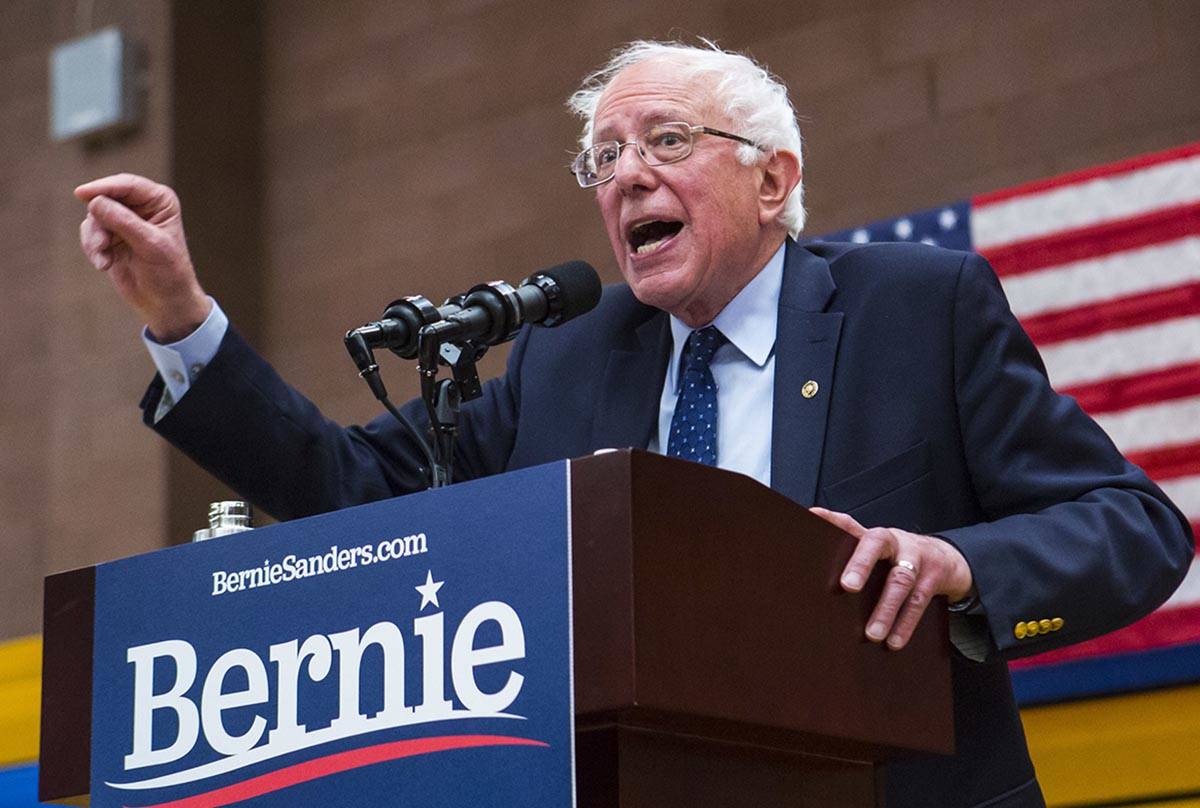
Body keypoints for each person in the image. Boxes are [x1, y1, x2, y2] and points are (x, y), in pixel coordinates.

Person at [76, 41, 1191, 808]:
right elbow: (355, 490)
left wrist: (960, 564)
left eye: (664, 141)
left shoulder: (919, 311)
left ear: (772, 180)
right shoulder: (566, 354)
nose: (624, 178)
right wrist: (185, 321)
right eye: (603, 159)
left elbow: (1134, 526)